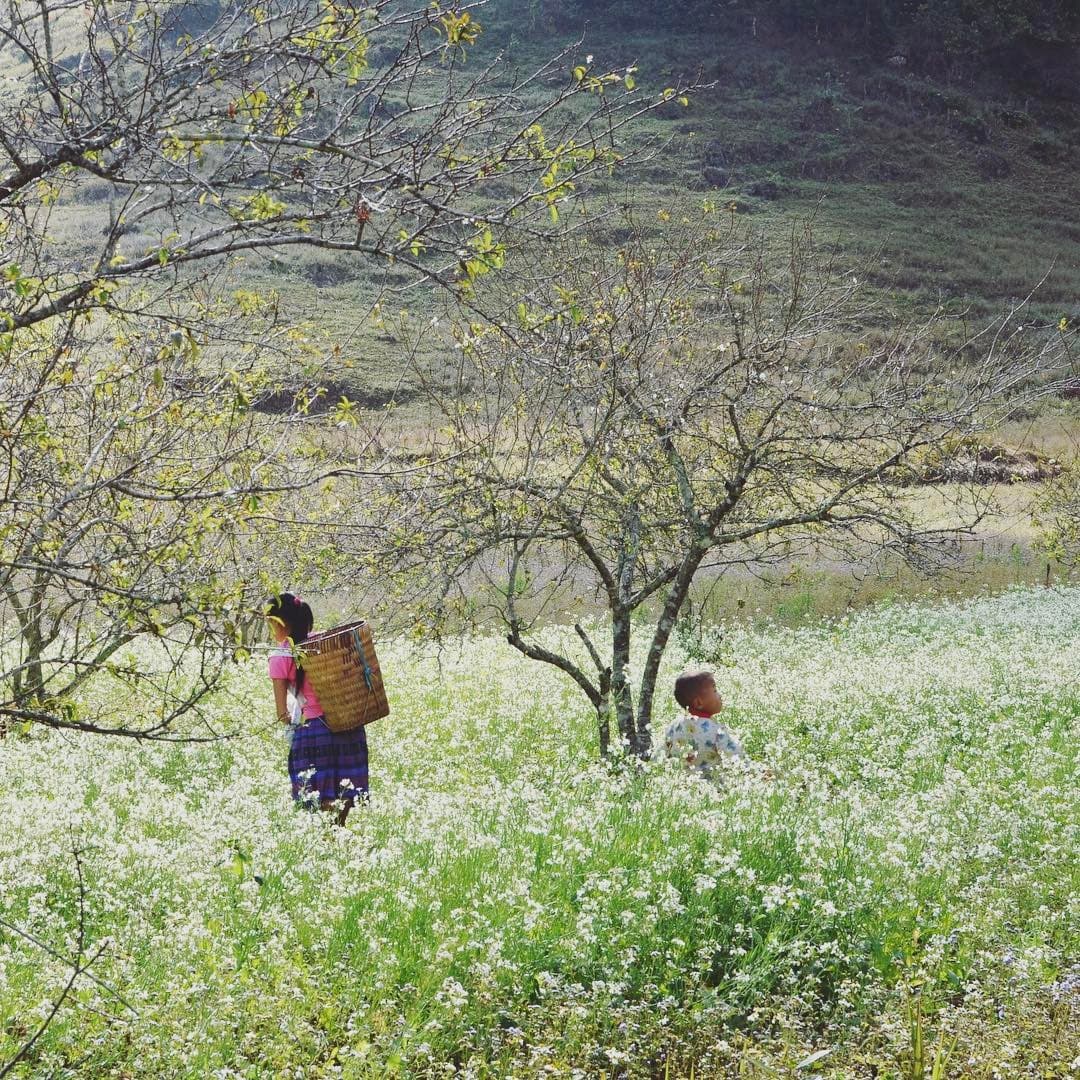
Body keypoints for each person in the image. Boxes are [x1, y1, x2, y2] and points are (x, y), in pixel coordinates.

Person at [265, 593, 369, 824]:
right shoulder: (325, 642)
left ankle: (329, 842)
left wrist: (295, 712)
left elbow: (282, 714)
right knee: (344, 789)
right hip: (347, 726)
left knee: (321, 794)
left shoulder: (280, 655)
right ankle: (338, 833)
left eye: (272, 623)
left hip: (313, 731)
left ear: (281, 623)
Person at [662, 666, 748, 780]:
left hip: (682, 786)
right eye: (715, 691)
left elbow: (662, 754)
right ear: (699, 703)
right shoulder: (717, 731)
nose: (719, 695)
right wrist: (757, 772)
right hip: (714, 791)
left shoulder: (674, 725)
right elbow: (738, 757)